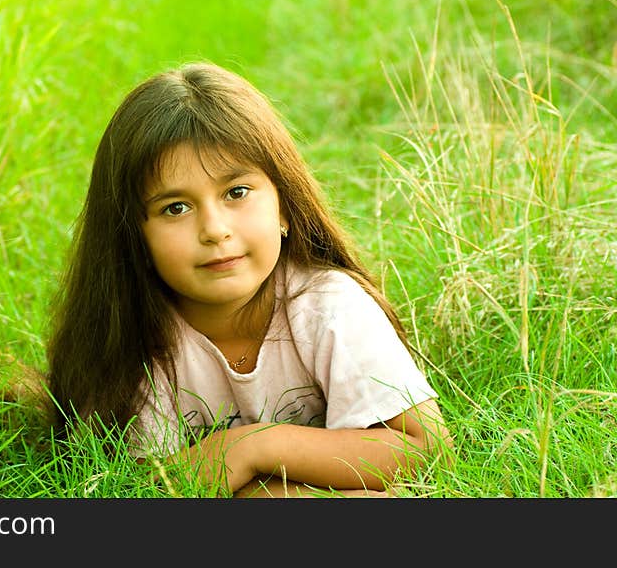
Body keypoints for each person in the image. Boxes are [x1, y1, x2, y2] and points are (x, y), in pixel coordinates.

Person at [41, 61, 452, 497]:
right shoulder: (135, 345)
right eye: (175, 207)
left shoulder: (329, 308)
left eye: (236, 193)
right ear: (132, 238)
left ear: (285, 208)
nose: (215, 229)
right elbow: (153, 489)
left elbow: (423, 446)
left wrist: (253, 446)